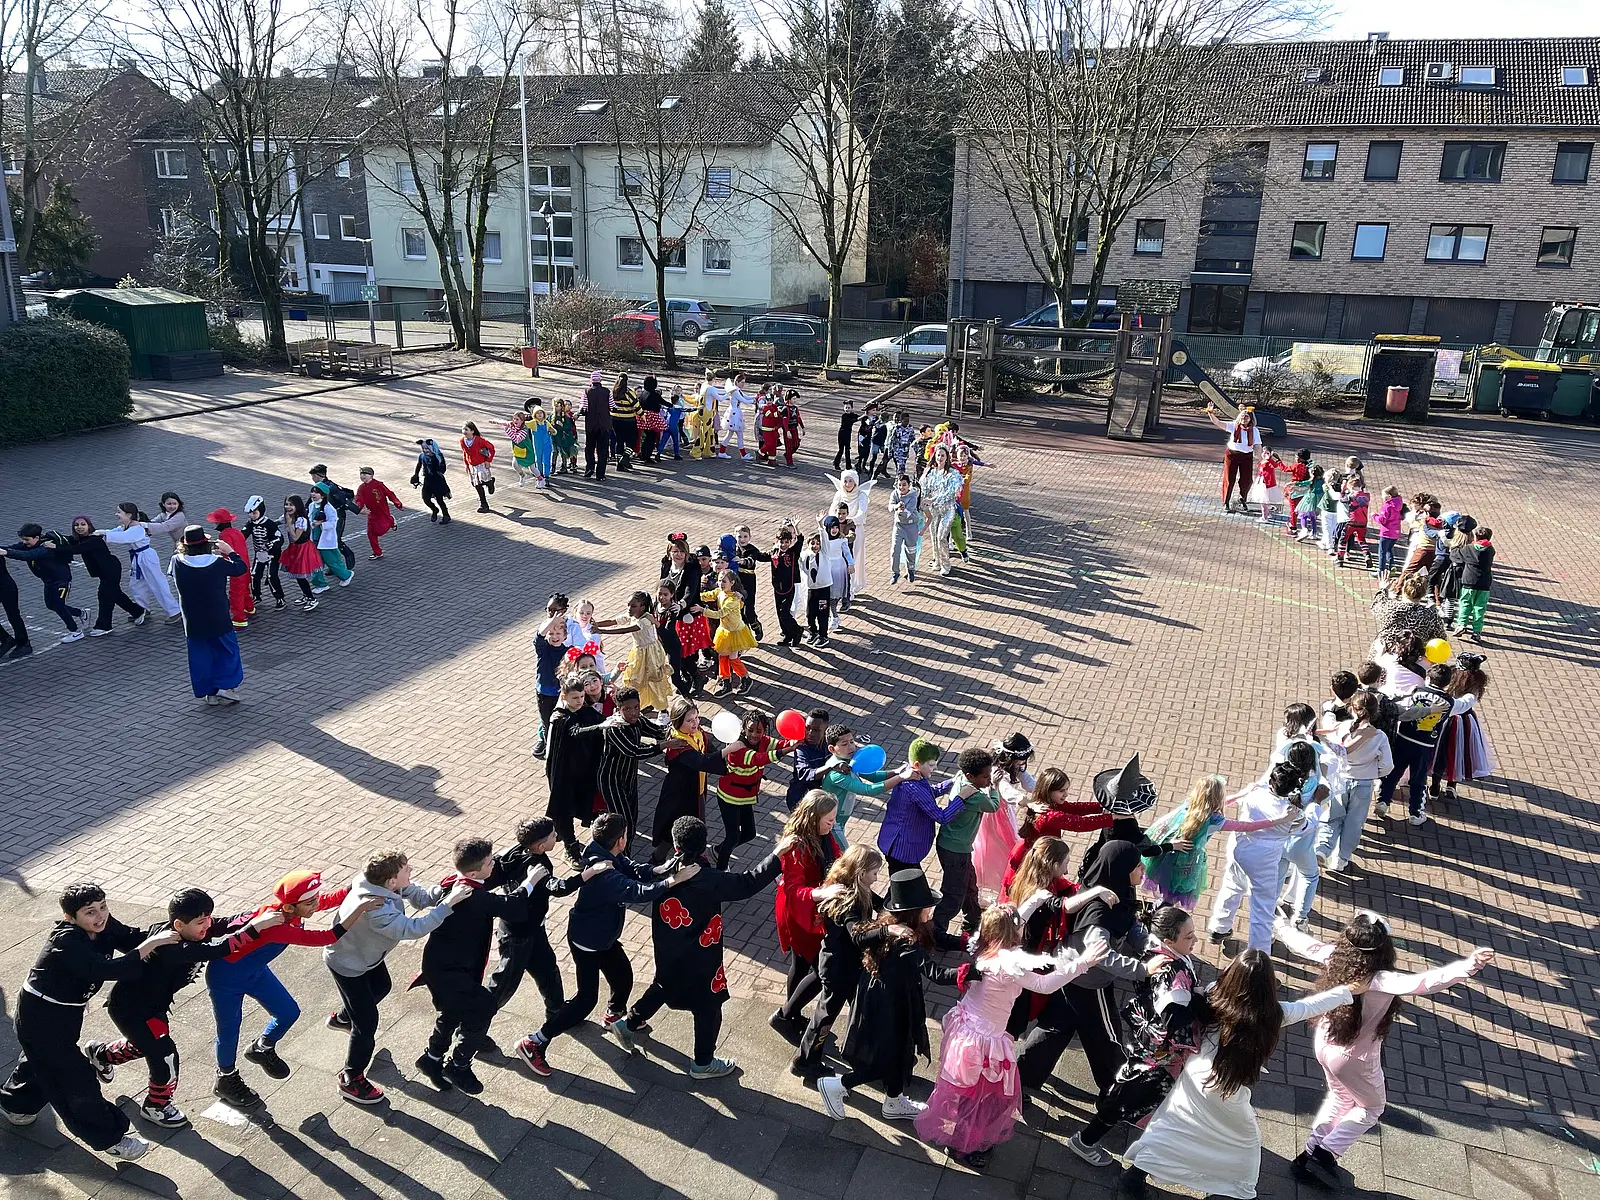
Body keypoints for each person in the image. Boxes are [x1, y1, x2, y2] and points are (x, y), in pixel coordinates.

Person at [1276, 913, 1495, 1189]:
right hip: (1355, 1057)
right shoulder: (1381, 980)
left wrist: (1279, 924)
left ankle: (1308, 1156)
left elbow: (1304, 944)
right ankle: (1326, 1152)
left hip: (1325, 1041)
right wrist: (1469, 965)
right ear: (1384, 947)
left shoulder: (1335, 957)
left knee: (1340, 1097)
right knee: (1371, 1107)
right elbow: (1427, 982)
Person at [1118, 951, 1356, 1200]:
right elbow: (1310, 1006)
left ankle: (1134, 1176)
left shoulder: (1214, 995)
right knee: (1245, 1144)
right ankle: (1240, 1192)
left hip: (1196, 1074)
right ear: (1268, 986)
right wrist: (1346, 992)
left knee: (1173, 1126)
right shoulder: (1273, 1015)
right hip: (1225, 1087)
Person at [918, 905, 1107, 1168]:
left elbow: (1013, 920)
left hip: (967, 1030)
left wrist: (1034, 900)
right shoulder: (1008, 966)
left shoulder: (984, 946)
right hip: (984, 1043)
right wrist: (1083, 963)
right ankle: (963, 1145)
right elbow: (1043, 984)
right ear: (1011, 932)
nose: (1023, 928)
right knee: (980, 1097)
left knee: (965, 1092)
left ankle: (959, 1136)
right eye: (1019, 926)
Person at [0, 883, 175, 1161]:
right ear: (70, 917)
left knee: (42, 1061)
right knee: (75, 1078)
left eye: (103, 907)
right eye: (90, 912)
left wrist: (179, 933)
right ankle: (110, 1138)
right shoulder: (66, 942)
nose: (100, 916)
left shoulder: (103, 925)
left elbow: (131, 938)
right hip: (41, 1016)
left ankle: (15, 1103)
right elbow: (108, 969)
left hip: (65, 1013)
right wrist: (152, 944)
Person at [516, 814, 700, 1076]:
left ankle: (614, 1015)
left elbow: (630, 867)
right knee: (585, 999)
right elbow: (637, 891)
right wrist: (672, 881)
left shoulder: (601, 850)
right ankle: (535, 1041)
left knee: (623, 977)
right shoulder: (605, 876)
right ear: (620, 840)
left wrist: (657, 870)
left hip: (602, 937)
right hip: (588, 942)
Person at [89, 890, 281, 1129]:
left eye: (207, 918)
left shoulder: (191, 929)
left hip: (152, 1008)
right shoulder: (172, 947)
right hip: (133, 1011)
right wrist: (256, 927)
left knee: (146, 1045)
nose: (207, 925)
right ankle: (156, 1106)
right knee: (165, 1056)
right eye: (201, 922)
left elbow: (222, 924)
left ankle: (101, 1054)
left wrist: (258, 913)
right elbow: (220, 949)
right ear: (179, 925)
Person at [619, 816, 783, 1078]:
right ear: (704, 844)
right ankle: (703, 1063)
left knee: (663, 985)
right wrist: (777, 856)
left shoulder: (664, 870)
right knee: (709, 1005)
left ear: (676, 844)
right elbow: (747, 883)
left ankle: (629, 1023)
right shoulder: (708, 878)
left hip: (668, 947)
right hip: (701, 955)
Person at [207, 870, 374, 1111]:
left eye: (314, 899)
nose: (315, 905)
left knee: (288, 1012)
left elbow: (328, 900)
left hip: (254, 972)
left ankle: (261, 1048)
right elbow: (327, 937)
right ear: (288, 907)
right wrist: (358, 909)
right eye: (310, 903)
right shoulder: (276, 925)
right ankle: (225, 1078)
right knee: (229, 1029)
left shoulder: (294, 909)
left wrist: (356, 884)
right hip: (226, 978)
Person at [323, 850, 474, 1103]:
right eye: (406, 869)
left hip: (366, 957)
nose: (411, 870)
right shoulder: (375, 908)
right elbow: (413, 928)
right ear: (392, 880)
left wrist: (446, 889)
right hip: (349, 965)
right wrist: (448, 905)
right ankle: (351, 1078)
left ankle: (342, 1018)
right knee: (366, 1024)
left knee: (382, 986)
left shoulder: (380, 882)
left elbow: (420, 897)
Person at [411, 837, 552, 1093]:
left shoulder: (457, 883)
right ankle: (459, 1065)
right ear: (474, 872)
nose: (494, 864)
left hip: (447, 965)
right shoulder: (473, 896)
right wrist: (530, 881)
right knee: (484, 1007)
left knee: (452, 1012)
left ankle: (432, 1059)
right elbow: (513, 907)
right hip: (449, 971)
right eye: (489, 863)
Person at [817, 869, 958, 1122]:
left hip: (894, 998)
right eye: (927, 906)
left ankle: (894, 1101)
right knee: (888, 1058)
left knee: (901, 1052)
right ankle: (837, 1085)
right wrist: (973, 972)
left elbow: (940, 937)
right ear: (913, 910)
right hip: (887, 1005)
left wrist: (970, 942)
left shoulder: (907, 925)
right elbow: (936, 973)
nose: (931, 910)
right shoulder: (903, 940)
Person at [1066, 906, 1203, 1167]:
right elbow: (1171, 1019)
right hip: (1158, 1054)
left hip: (1151, 1045)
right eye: (1189, 936)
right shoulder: (1169, 973)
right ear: (1169, 940)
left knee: (1130, 1092)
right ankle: (1084, 1141)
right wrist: (1201, 1004)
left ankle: (1112, 1108)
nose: (1195, 939)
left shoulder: (1158, 951)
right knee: (1127, 1098)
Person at [1015, 840, 1156, 1093]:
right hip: (1088, 980)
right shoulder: (1100, 912)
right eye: (1138, 866)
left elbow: (1129, 923)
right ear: (1122, 869)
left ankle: (1019, 1079)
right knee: (1108, 1037)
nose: (1143, 869)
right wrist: (1143, 969)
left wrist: (1150, 944)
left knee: (1057, 1026)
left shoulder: (1116, 889)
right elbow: (1102, 955)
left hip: (1068, 971)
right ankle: (1117, 1091)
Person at [1141, 774, 1295, 911]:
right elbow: (1247, 826)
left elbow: (1218, 805)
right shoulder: (1215, 821)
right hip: (1185, 862)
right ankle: (1158, 913)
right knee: (1174, 893)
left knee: (1167, 887)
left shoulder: (1192, 804)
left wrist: (1243, 793)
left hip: (1169, 854)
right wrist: (1281, 820)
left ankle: (1158, 908)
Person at [1205, 756, 1312, 952]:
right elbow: (1305, 828)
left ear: (1272, 781)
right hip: (1265, 858)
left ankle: (1219, 927)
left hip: (1239, 846)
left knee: (1232, 884)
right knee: (1263, 906)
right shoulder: (1293, 812)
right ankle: (1259, 954)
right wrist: (1315, 806)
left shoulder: (1254, 793)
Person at [769, 791, 844, 1045]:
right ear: (813, 818)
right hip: (799, 911)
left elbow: (836, 858)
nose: (833, 824)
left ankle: (792, 1014)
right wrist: (821, 893)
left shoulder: (822, 834)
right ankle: (785, 1016)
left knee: (801, 964)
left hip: (811, 907)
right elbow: (793, 889)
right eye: (829, 820)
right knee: (818, 969)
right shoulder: (796, 845)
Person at [486, 818, 579, 1023]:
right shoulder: (538, 867)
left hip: (532, 929)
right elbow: (558, 888)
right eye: (553, 835)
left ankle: (556, 1011)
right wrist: (584, 876)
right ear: (540, 846)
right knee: (504, 984)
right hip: (517, 936)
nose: (557, 836)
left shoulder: (514, 852)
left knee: (547, 969)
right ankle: (473, 1022)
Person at [1375, 662, 1464, 826]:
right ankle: (1415, 813)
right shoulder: (1449, 702)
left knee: (1393, 772)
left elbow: (1405, 706)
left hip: (1404, 737)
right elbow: (1464, 705)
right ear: (1448, 683)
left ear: (1428, 677)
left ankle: (1383, 801)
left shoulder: (1417, 691)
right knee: (1419, 779)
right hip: (1425, 745)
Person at [169, 525, 250, 705]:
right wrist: (230, 552)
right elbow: (240, 568)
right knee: (227, 651)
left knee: (201, 656)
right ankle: (225, 687)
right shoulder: (217, 562)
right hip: (218, 615)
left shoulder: (176, 561)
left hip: (192, 619)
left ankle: (210, 693)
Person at [931, 748, 1001, 949]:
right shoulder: (975, 796)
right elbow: (993, 806)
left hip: (952, 846)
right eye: (985, 776)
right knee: (953, 893)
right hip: (956, 850)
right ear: (971, 776)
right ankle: (936, 934)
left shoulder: (961, 778)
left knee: (969, 884)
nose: (988, 779)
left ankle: (974, 920)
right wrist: (994, 787)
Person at [1315, 690, 1393, 872]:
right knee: (1354, 822)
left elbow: (1333, 749)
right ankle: (1341, 858)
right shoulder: (1379, 736)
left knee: (1332, 816)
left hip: (1340, 780)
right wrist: (1374, 772)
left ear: (1352, 708)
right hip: (1363, 783)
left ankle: (1323, 848)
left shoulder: (1342, 727)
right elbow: (1387, 765)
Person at [582, 685, 666, 852]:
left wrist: (679, 729)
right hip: (612, 781)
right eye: (627, 709)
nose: (633, 712)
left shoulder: (638, 720)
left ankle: (624, 855)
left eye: (636, 707)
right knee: (623, 823)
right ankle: (620, 858)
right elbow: (634, 751)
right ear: (618, 709)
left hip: (629, 779)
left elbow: (658, 731)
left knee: (632, 819)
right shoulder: (614, 728)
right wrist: (664, 746)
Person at [715, 712, 796, 869]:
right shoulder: (736, 748)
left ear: (764, 731)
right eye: (750, 730)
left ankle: (719, 850)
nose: (754, 735)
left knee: (749, 833)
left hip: (744, 798)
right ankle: (721, 869)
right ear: (744, 728)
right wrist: (787, 751)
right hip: (729, 798)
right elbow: (758, 759)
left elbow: (779, 744)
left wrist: (794, 742)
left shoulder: (763, 740)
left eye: (759, 731)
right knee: (732, 837)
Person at [654, 698, 727, 863]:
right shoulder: (679, 744)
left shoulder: (697, 733)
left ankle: (691, 859)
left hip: (696, 791)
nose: (695, 723)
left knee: (696, 827)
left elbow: (709, 750)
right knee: (674, 830)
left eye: (696, 718)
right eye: (690, 720)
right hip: (679, 796)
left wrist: (728, 762)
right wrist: (727, 751)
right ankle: (657, 861)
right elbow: (702, 762)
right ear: (678, 721)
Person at [878, 738, 965, 873]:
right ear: (917, 765)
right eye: (931, 765)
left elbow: (928, 793)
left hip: (897, 846)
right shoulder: (913, 787)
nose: (935, 768)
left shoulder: (910, 773)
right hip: (903, 851)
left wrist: (952, 782)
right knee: (905, 885)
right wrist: (961, 798)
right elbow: (942, 817)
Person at [545, 677, 604, 861]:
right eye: (575, 698)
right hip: (563, 774)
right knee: (564, 810)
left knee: (588, 803)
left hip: (584, 772)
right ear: (564, 697)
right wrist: (601, 726)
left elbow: (601, 724)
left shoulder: (587, 712)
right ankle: (570, 847)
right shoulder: (559, 718)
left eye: (581, 696)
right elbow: (575, 732)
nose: (579, 701)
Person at [98, 504, 184, 624]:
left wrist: (103, 534)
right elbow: (114, 532)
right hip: (138, 557)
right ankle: (142, 609)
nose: (116, 514)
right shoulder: (126, 526)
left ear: (129, 515)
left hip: (146, 557)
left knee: (157, 584)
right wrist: (98, 533)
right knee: (136, 585)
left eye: (119, 512)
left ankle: (175, 611)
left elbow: (124, 537)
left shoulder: (137, 528)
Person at [1430, 653, 1495, 806]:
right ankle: (1451, 785)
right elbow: (1467, 703)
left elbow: (1452, 703)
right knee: (1457, 753)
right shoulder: (1475, 684)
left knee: (1439, 753)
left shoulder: (1450, 678)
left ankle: (1435, 786)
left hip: (1446, 721)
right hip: (1465, 722)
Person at [594, 591, 673, 713]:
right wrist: (594, 623)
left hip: (651, 654)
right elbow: (613, 621)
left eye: (634, 606)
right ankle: (646, 703)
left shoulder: (644, 620)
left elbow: (624, 630)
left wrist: (601, 631)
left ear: (642, 607)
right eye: (628, 605)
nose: (629, 608)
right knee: (637, 679)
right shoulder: (632, 615)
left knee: (654, 679)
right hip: (638, 652)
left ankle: (663, 711)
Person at [4, 524, 86, 641]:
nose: (24, 542)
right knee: (51, 605)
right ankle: (81, 613)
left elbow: (27, 555)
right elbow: (12, 548)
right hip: (49, 581)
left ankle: (75, 631)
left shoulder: (46, 548)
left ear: (37, 538)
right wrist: (4, 550)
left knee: (58, 606)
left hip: (61, 581)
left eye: (26, 539)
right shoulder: (29, 545)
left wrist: (6, 553)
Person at [68, 516, 147, 635]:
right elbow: (69, 541)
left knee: (105, 596)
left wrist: (55, 548)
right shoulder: (81, 539)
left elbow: (74, 549)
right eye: (76, 525)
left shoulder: (93, 540)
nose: (79, 527)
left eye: (83, 524)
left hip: (111, 570)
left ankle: (104, 626)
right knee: (115, 594)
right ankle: (137, 611)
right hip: (105, 571)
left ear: (89, 526)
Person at [702, 568, 757, 695]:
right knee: (722, 656)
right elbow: (707, 595)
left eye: (724, 581)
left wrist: (702, 610)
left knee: (732, 658)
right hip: (725, 631)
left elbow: (719, 614)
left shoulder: (733, 600)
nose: (720, 584)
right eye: (719, 580)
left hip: (735, 633)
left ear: (732, 583)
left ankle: (746, 678)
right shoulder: (719, 592)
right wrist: (695, 595)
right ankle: (726, 682)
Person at [1205, 403, 1261, 513]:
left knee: (1247, 480)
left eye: (1247, 417)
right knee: (1229, 479)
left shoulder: (1254, 431)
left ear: (1250, 419)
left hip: (1247, 456)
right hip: (1232, 455)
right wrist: (1210, 412)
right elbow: (1218, 423)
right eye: (1242, 416)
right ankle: (1226, 502)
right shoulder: (1233, 426)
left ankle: (1242, 499)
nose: (1244, 418)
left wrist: (1260, 460)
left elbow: (1258, 446)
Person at [828, 470, 876, 594]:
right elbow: (832, 510)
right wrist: (836, 521)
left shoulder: (861, 495)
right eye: (845, 481)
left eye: (851, 481)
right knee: (839, 557)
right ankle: (839, 586)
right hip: (838, 529)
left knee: (853, 557)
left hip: (856, 530)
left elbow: (861, 512)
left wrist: (850, 520)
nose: (848, 484)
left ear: (855, 482)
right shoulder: (839, 494)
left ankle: (851, 587)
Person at [920, 444, 963, 576]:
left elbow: (951, 492)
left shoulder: (953, 473)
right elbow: (923, 489)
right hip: (934, 511)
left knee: (941, 537)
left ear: (947, 457)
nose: (940, 458)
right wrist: (921, 500)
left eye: (942, 455)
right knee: (934, 537)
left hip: (947, 511)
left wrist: (933, 499)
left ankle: (946, 564)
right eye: (938, 455)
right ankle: (937, 561)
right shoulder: (930, 473)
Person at [206, 509, 253, 627]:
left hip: (236, 569)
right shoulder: (237, 532)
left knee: (236, 594)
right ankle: (249, 608)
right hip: (246, 565)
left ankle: (239, 620)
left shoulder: (224, 535)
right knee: (245, 590)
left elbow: (227, 552)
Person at [278, 495, 327, 608]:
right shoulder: (288, 516)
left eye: (291, 505)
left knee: (300, 576)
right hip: (294, 549)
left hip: (302, 549)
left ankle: (311, 598)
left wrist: (289, 524)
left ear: (297, 506)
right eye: (286, 504)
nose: (288, 507)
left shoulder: (301, 520)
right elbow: (277, 522)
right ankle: (306, 595)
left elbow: (295, 537)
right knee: (298, 576)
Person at [308, 464, 359, 571]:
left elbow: (343, 500)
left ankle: (347, 555)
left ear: (318, 475)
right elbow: (309, 503)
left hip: (337, 517)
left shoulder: (330, 487)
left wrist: (357, 510)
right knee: (326, 542)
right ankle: (332, 566)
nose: (312, 479)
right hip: (324, 519)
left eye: (313, 476)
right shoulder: (318, 488)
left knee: (335, 540)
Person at [1451, 526, 1494, 641]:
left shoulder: (1469, 548)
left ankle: (1461, 625)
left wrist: (1455, 545)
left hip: (1469, 581)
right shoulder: (1490, 550)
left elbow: (1455, 556)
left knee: (1465, 603)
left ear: (1476, 537)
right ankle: (1477, 631)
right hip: (1484, 583)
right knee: (1479, 607)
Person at [785, 709, 833, 812]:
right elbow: (804, 773)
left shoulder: (831, 744)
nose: (810, 733)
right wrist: (830, 767)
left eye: (816, 730)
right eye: (807, 728)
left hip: (822, 799)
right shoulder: (801, 748)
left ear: (826, 730)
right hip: (801, 801)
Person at [242, 497, 285, 612]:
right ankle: (256, 596)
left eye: (254, 513)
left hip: (272, 555)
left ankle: (280, 598)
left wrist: (271, 544)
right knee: (254, 575)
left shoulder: (269, 524)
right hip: (259, 554)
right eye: (250, 513)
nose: (252, 516)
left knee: (271, 576)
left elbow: (279, 538)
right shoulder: (250, 524)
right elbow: (243, 534)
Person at [354, 467, 404, 560]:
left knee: (380, 531)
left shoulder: (378, 485)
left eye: (365, 474)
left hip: (382, 511)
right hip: (371, 513)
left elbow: (389, 494)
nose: (363, 476)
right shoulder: (361, 488)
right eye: (361, 474)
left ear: (371, 475)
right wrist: (359, 508)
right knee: (371, 534)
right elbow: (359, 499)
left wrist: (397, 502)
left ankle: (391, 520)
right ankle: (377, 552)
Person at [309, 492, 354, 588]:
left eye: (316, 492)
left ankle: (346, 575)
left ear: (322, 495)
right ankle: (321, 584)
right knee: (316, 563)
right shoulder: (312, 505)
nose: (313, 494)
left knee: (332, 562)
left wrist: (321, 524)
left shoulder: (328, 508)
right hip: (315, 539)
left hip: (326, 540)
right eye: (312, 491)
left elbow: (333, 523)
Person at [888, 473, 924, 586]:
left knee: (911, 550)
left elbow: (908, 512)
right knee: (895, 549)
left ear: (909, 485)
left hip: (911, 526)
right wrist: (896, 506)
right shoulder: (895, 493)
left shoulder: (913, 495)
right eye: (900, 485)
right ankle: (895, 572)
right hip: (899, 526)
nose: (901, 487)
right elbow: (890, 507)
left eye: (904, 485)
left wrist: (901, 511)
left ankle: (911, 569)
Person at [800, 531, 833, 646]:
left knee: (822, 612)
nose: (815, 546)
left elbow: (825, 540)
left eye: (818, 543)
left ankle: (823, 635)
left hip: (823, 589)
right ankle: (813, 632)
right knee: (810, 613)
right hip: (812, 589)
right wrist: (797, 531)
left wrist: (821, 526)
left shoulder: (825, 553)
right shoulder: (805, 555)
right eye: (812, 543)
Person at [410, 438, 453, 524]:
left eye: (427, 448)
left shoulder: (438, 456)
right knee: (425, 498)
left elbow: (443, 468)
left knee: (439, 499)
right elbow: (419, 465)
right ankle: (434, 509)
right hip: (427, 480)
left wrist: (437, 468)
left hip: (437, 480)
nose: (425, 450)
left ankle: (446, 515)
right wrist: (416, 475)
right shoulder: (422, 456)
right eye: (423, 448)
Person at [0, 546, 31, 658]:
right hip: (5, 586)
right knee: (13, 615)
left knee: (13, 615)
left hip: (5, 587)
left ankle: (24, 643)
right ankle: (6, 639)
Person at [460, 421, 497, 511]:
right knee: (476, 484)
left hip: (482, 464)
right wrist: (467, 465)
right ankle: (484, 504)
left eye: (466, 429)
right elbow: (465, 453)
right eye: (463, 429)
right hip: (472, 465)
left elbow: (491, 448)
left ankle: (490, 482)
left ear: (472, 431)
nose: (464, 431)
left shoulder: (480, 440)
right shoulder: (462, 441)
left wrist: (488, 460)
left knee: (483, 480)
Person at [637, 375, 667, 463]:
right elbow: (663, 402)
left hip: (643, 417)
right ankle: (647, 456)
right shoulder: (654, 394)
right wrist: (672, 405)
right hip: (652, 418)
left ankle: (643, 453)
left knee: (647, 436)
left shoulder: (643, 393)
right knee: (651, 437)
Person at [505, 409, 536, 484]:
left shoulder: (524, 430)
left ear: (522, 421)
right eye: (514, 419)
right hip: (518, 450)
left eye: (517, 419)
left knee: (532, 468)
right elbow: (504, 423)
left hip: (527, 451)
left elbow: (517, 440)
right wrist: (495, 422)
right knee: (514, 464)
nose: (515, 421)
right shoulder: (514, 427)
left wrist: (508, 431)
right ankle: (522, 475)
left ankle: (540, 478)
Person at [781, 389, 805, 466]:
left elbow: (798, 418)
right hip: (788, 429)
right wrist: (787, 431)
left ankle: (788, 454)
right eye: (793, 399)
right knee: (789, 446)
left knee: (796, 444)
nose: (795, 400)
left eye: (795, 399)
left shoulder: (795, 408)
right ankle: (789, 462)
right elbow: (784, 422)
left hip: (794, 428)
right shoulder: (785, 409)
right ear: (789, 399)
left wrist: (802, 427)